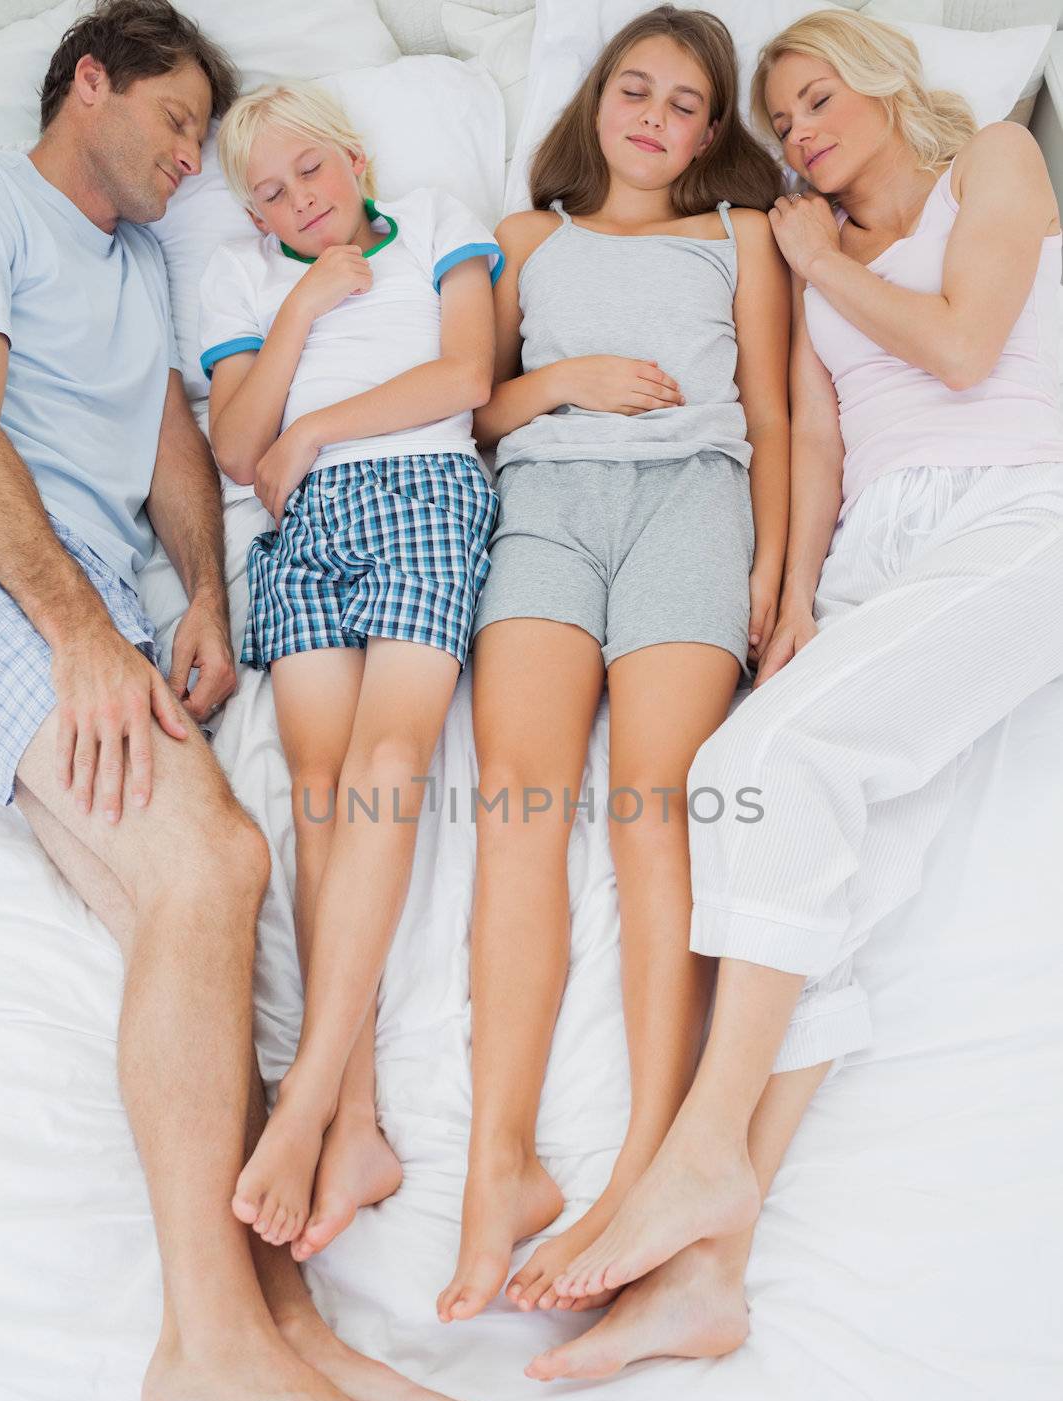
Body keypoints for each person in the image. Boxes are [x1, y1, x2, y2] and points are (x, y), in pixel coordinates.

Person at [0, 0, 513, 1401]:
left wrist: (207, 594)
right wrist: (86, 634)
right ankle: (207, 1354)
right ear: (86, 77)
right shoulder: (6, 205)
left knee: (206, 922)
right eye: (171, 124)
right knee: (218, 864)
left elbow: (181, 436)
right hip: (27, 599)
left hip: (107, 599)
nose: (188, 162)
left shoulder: (145, 261)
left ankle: (288, 1328)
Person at [525, 6, 1063, 1382]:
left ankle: (696, 1156)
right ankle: (707, 1276)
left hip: (1019, 510)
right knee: (820, 860)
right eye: (786, 124)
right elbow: (813, 433)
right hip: (884, 556)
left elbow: (957, 349)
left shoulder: (988, 163)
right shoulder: (797, 261)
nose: (805, 136)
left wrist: (820, 254)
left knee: (737, 776)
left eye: (820, 101)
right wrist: (797, 595)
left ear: (884, 87)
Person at [437, 5, 792, 1325]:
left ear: (710, 132)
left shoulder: (737, 237)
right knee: (515, 805)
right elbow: (467, 403)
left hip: (691, 503)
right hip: (542, 502)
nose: (651, 115)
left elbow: (768, 411)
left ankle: (644, 1165)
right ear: (593, 102)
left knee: (655, 811)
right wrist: (564, 377)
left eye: (683, 102)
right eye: (631, 88)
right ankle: (496, 1172)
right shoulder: (527, 241)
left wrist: (773, 574)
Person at [201, 82, 503, 1262]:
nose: (295, 202)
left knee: (387, 762)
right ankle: (359, 1120)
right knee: (320, 791)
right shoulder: (243, 277)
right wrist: (302, 310)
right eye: (268, 194)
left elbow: (466, 379)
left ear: (359, 163)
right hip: (300, 528)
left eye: (311, 173)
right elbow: (235, 444)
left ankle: (312, 1094)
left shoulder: (431, 220)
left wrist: (318, 427)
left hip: (423, 495)